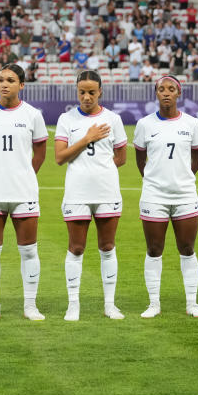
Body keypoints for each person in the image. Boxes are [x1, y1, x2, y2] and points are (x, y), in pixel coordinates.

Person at [0, 64, 47, 322]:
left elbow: (40, 152)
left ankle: (30, 306)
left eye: (10, 80)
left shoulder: (33, 115)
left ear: (22, 85)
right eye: (1, 80)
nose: (4, 84)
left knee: (29, 251)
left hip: (24, 191)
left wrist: (24, 174)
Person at [54, 70, 127, 321]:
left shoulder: (113, 119)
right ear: (77, 92)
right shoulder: (66, 119)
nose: (86, 97)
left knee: (107, 247)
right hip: (76, 192)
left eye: (91, 92)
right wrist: (87, 138)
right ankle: (73, 304)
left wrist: (99, 171)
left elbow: (120, 158)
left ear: (100, 92)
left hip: (107, 191)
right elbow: (60, 157)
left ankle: (110, 304)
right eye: (82, 92)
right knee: (76, 248)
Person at [133, 75, 198, 318]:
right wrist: (156, 180)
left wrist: (182, 179)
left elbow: (196, 159)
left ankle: (192, 303)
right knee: (154, 249)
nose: (166, 93)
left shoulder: (192, 124)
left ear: (179, 93)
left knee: (187, 248)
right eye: (161, 89)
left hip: (185, 195)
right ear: (156, 93)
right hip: (154, 195)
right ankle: (154, 304)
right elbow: (140, 161)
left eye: (171, 89)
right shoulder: (144, 124)